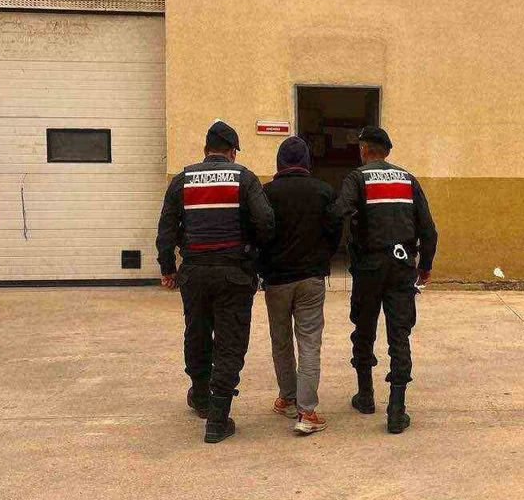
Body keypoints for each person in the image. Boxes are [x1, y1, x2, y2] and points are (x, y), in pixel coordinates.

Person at [155, 120, 275, 444]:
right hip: (234, 274)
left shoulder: (183, 179)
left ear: (206, 149)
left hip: (194, 273)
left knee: (196, 332)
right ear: (233, 151)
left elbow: (166, 229)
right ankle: (218, 419)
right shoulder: (244, 178)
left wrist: (168, 268)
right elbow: (266, 222)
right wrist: (254, 254)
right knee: (230, 341)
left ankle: (201, 397)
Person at [332, 126, 437, 434]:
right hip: (402, 266)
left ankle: (365, 396)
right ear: (387, 152)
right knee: (399, 334)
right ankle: (396, 410)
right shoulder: (408, 180)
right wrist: (425, 266)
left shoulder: (357, 178)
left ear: (364, 150)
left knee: (364, 329)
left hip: (368, 267)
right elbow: (429, 229)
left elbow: (339, 212)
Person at [259, 136, 341, 435]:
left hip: (276, 280)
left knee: (280, 340)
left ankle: (287, 399)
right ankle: (307, 412)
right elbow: (335, 231)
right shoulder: (324, 191)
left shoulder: (266, 192)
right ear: (307, 161)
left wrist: (263, 266)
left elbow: (259, 231)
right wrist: (322, 259)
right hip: (310, 278)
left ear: (279, 161)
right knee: (309, 343)